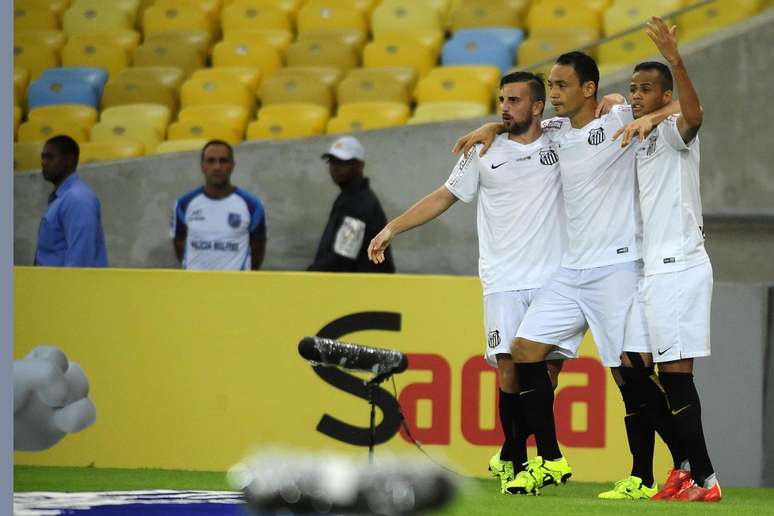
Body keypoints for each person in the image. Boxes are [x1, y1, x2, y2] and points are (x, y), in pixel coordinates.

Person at [453, 51, 684, 497]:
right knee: (524, 349)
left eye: (561, 86)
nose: (554, 93)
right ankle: (552, 459)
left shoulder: (617, 116)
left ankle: (673, 466)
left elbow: (684, 110)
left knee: (630, 377)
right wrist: (494, 126)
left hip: (617, 265)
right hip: (573, 269)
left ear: (589, 89)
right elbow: (520, 123)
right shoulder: (555, 131)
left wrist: (647, 118)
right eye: (552, 87)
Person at [369, 71, 581, 494]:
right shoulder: (483, 150)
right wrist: (392, 228)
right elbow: (443, 196)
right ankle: (522, 462)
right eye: (502, 100)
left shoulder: (562, 137)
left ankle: (515, 453)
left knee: (544, 374)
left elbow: (609, 103)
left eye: (515, 100)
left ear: (538, 106)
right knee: (509, 369)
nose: (505, 107)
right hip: (502, 279)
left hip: (555, 279)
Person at [612, 17, 720, 502]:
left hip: (681, 265)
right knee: (635, 367)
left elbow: (694, 112)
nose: (635, 96)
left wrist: (675, 59)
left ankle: (706, 480)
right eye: (632, 89)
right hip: (652, 270)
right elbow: (602, 104)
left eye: (645, 90)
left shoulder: (675, 132)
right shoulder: (638, 132)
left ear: (663, 95)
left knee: (677, 380)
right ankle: (685, 469)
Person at [171, 140, 266, 271]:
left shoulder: (252, 205)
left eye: (223, 161)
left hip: (235, 287)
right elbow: (179, 242)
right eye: (211, 161)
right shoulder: (183, 204)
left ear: (232, 166)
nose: (217, 167)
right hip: (194, 286)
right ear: (202, 166)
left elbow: (258, 247)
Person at [309, 136, 395, 273]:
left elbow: (343, 257)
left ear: (360, 165)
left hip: (364, 288)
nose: (335, 168)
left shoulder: (359, 203)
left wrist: (309, 276)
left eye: (343, 162)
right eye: (332, 162)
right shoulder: (350, 198)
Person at [35, 135, 108, 267]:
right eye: (43, 156)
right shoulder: (63, 197)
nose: (43, 162)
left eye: (50, 157)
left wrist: (68, 287)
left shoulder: (78, 198)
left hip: (67, 286)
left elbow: (80, 261)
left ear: (69, 160)